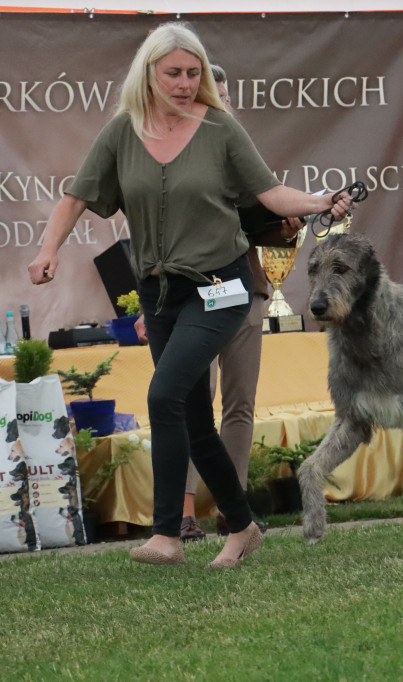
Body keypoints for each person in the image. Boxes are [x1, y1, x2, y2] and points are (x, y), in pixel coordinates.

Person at [28, 22, 350, 568]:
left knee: (163, 396)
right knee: (196, 418)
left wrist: (320, 200)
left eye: (192, 72)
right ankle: (243, 526)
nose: (183, 82)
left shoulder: (221, 129)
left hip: (221, 287)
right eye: (173, 72)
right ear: (148, 73)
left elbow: (269, 193)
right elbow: (75, 197)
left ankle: (166, 536)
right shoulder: (121, 132)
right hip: (159, 293)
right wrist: (47, 250)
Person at [176, 64, 303, 542]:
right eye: (215, 97)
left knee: (240, 405)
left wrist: (283, 229)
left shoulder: (242, 156)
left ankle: (234, 512)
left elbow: (258, 226)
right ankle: (183, 513)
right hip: (195, 295)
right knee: (193, 400)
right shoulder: (173, 158)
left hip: (245, 290)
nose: (222, 105)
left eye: (227, 98)